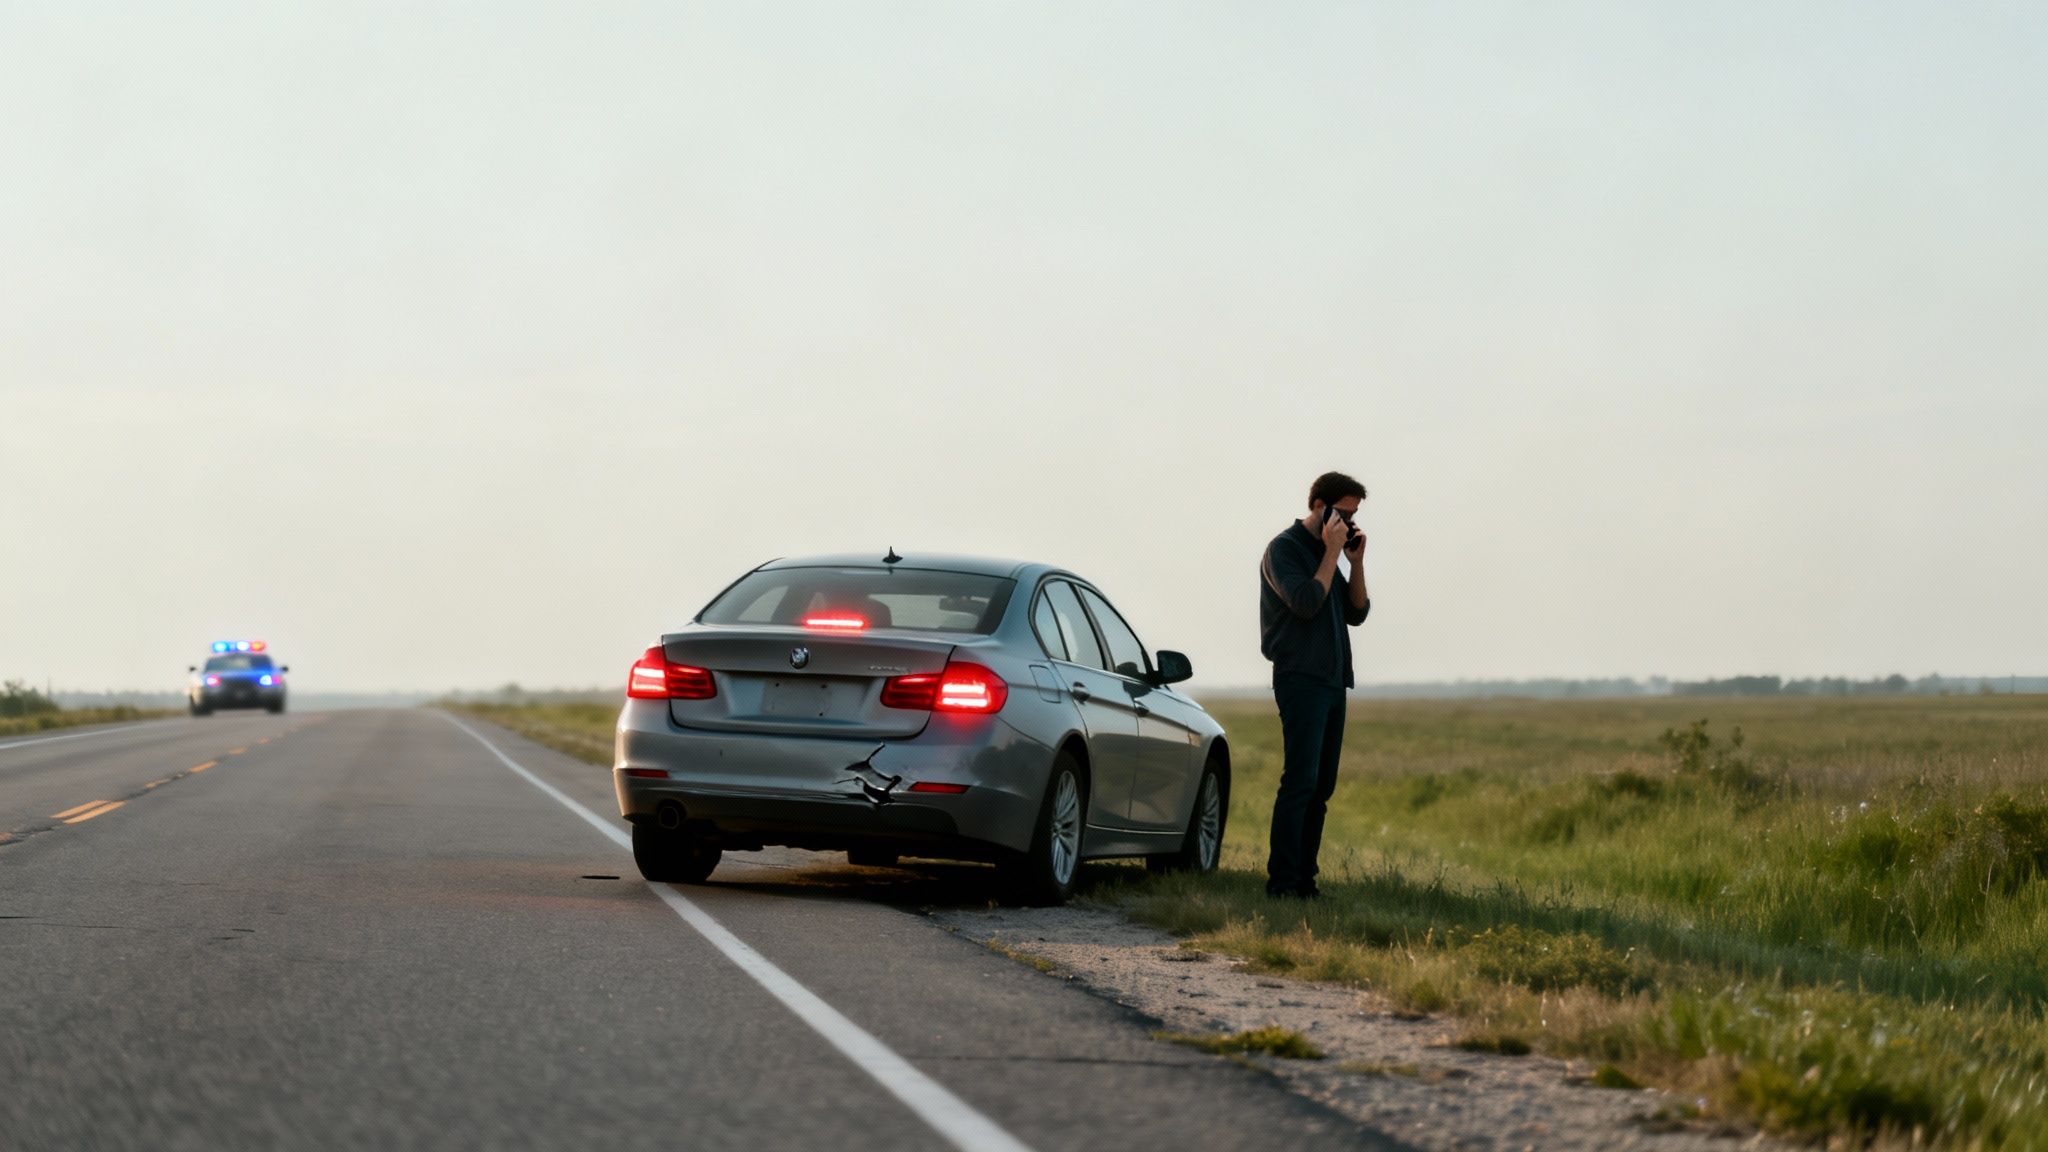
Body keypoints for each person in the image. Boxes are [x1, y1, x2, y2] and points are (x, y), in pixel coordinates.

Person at [1258, 471, 1370, 898]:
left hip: (1332, 680)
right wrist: (1331, 553)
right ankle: (1282, 884)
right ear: (1319, 507)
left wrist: (1354, 562)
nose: (1348, 522)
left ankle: (1305, 882)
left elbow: (1356, 612)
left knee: (1321, 787)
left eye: (1353, 515)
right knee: (1300, 782)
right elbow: (1305, 602)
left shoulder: (1329, 552)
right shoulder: (1284, 549)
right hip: (1300, 678)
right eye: (1343, 512)